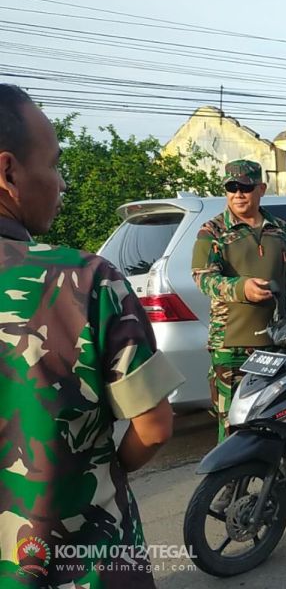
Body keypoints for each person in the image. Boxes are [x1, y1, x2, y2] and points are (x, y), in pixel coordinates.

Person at [0, 84, 182, 587]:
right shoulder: (83, 280)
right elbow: (154, 427)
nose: (61, 184)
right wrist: (104, 472)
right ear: (8, 171)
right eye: (55, 164)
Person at [191, 159, 286, 447]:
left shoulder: (280, 230)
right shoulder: (213, 232)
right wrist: (240, 288)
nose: (238, 194)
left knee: (272, 419)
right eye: (231, 187)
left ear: (261, 189)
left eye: (245, 187)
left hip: (274, 344)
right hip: (230, 344)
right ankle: (229, 488)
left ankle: (276, 485)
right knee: (232, 424)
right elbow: (203, 278)